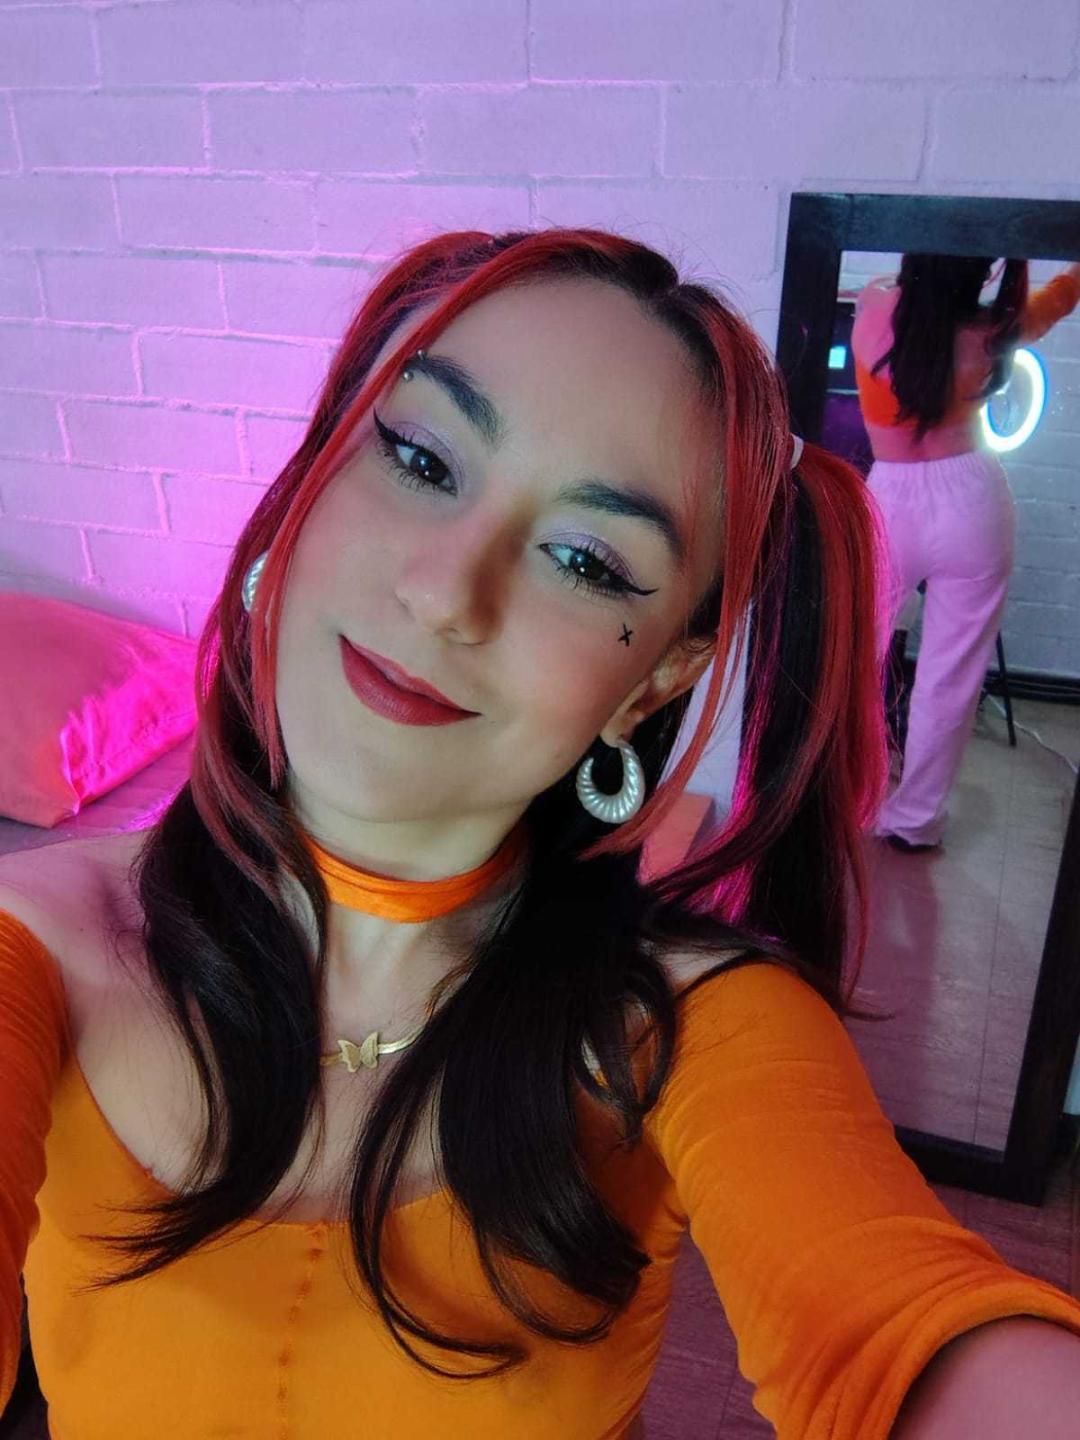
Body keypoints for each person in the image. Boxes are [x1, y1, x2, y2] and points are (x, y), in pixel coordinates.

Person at [2, 228, 1080, 1440]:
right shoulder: (37, 944)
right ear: (313, 479)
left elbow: (901, 1332)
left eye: (585, 560)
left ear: (655, 681)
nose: (446, 592)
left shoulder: (689, 1028)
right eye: (419, 457)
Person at [852, 253, 1080, 852]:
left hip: (892, 500)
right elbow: (1057, 301)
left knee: (849, 660)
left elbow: (893, 292)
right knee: (950, 676)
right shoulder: (995, 329)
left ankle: (840, 795)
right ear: (982, 272)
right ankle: (915, 820)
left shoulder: (876, 304)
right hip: (973, 501)